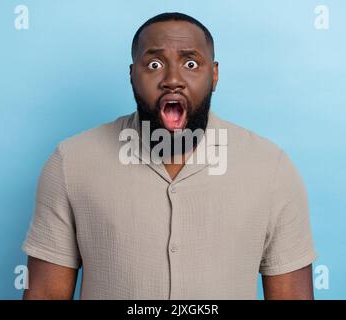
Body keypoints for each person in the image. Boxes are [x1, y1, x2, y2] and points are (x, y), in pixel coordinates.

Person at [22, 12, 317, 300]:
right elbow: (46, 293)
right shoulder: (71, 162)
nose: (172, 79)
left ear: (213, 75)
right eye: (153, 64)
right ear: (132, 75)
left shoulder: (270, 168)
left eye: (190, 63)